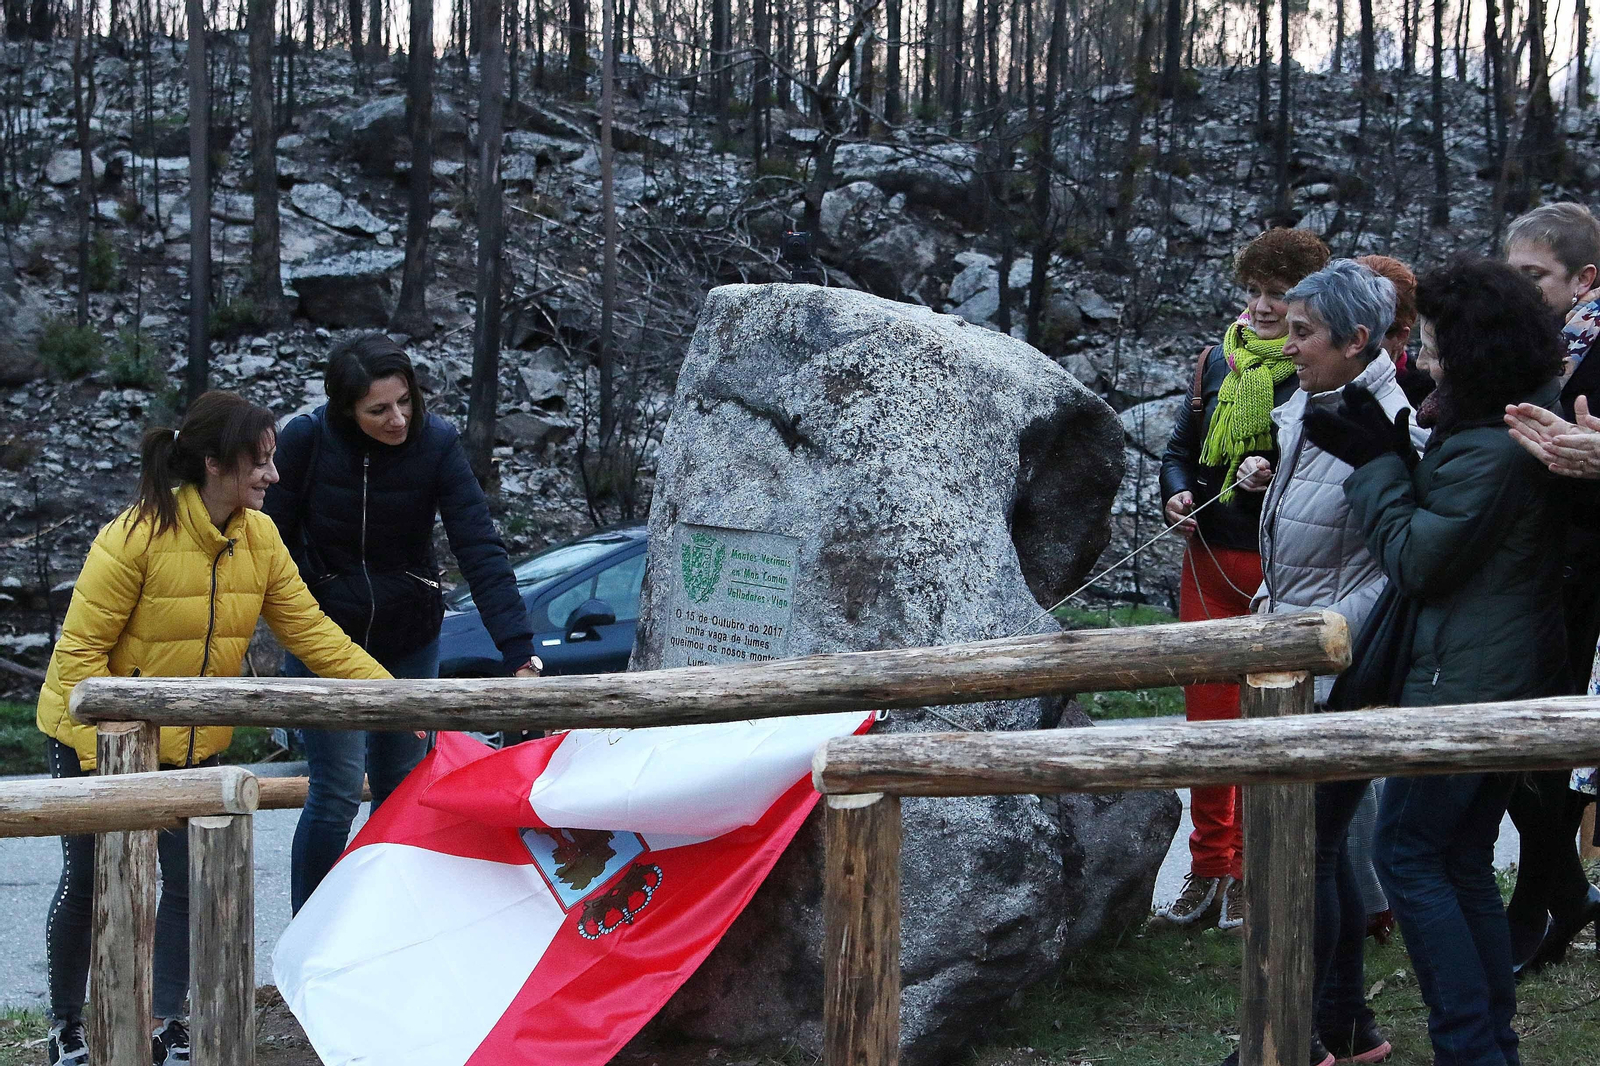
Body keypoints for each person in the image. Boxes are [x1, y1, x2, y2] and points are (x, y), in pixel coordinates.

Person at [33, 392, 391, 1066]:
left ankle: (172, 1023)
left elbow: (310, 631)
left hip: (192, 744)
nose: (273, 476)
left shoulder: (259, 537)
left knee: (185, 884)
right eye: (260, 463)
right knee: (87, 882)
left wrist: (394, 697)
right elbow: (77, 661)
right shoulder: (134, 534)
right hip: (94, 736)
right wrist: (114, 763)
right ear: (212, 464)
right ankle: (65, 1026)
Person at [1307, 256, 1568, 1066]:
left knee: (1409, 853)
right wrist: (1395, 454)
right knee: (1454, 858)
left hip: (1466, 683)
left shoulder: (1492, 448)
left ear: (1475, 352)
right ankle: (1487, 1044)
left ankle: (1471, 1048)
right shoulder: (1500, 435)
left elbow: (1421, 560)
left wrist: (1378, 466)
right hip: (1490, 676)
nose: (1422, 360)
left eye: (1433, 346)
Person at [264, 333, 541, 914]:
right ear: (346, 409)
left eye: (405, 402)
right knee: (335, 794)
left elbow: (478, 546)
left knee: (401, 795)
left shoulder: (436, 442)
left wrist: (519, 650)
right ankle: (309, 936)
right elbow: (265, 549)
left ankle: (385, 933)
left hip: (408, 639)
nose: (398, 419)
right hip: (324, 639)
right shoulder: (305, 442)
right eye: (378, 410)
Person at [1228, 259, 1414, 1066]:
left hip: (1331, 663)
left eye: (1304, 333)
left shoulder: (1388, 422)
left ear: (1357, 340)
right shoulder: (1315, 402)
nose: (1288, 343)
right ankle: (1343, 1029)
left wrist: (1324, 644)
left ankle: (1295, 1036)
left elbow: (1387, 568)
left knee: (1303, 853)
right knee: (1320, 849)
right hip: (1294, 652)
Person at [1154, 226, 1329, 934]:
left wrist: (1271, 469)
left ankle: (1253, 871)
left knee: (1271, 725)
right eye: (1253, 290)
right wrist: (1174, 494)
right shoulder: (1214, 362)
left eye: (1278, 295)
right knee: (1208, 726)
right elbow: (1177, 449)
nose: (1260, 306)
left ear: (1305, 303)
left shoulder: (1316, 370)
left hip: (1283, 569)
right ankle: (1209, 866)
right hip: (1206, 562)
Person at [1498, 203, 1600, 975]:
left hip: (1581, 576)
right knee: (1515, 752)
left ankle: (1536, 908)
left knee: (1548, 748)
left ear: (1583, 280)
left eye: (1534, 276)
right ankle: (1559, 897)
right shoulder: (1525, 346)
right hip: (1528, 568)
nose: (1520, 288)